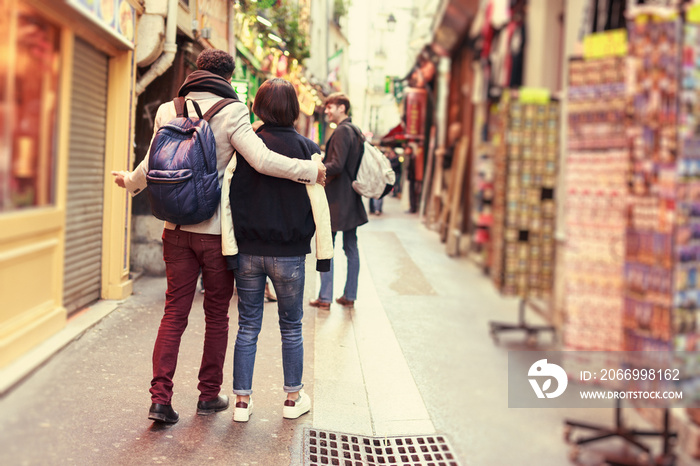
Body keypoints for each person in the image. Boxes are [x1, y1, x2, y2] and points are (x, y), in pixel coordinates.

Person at [111, 49, 326, 424]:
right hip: (213, 234)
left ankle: (160, 399)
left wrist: (130, 183)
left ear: (197, 71)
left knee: (173, 314)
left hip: (173, 230)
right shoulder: (232, 111)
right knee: (216, 316)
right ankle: (209, 395)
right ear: (228, 78)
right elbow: (262, 161)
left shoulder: (167, 109)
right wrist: (309, 170)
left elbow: (152, 162)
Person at [221, 78, 333, 422]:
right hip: (289, 254)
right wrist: (323, 252)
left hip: (248, 251)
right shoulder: (308, 149)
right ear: (294, 109)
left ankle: (242, 402)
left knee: (248, 325)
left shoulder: (246, 146)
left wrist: (230, 247)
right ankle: (292, 398)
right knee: (291, 326)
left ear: (258, 107)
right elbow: (319, 204)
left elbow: (228, 196)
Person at [309, 93, 368, 310]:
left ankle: (325, 297)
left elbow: (338, 164)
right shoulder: (355, 130)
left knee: (327, 247)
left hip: (337, 200)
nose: (326, 111)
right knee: (351, 247)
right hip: (350, 197)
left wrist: (318, 167)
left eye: (330, 107)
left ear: (342, 108)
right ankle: (349, 294)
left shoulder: (343, 131)